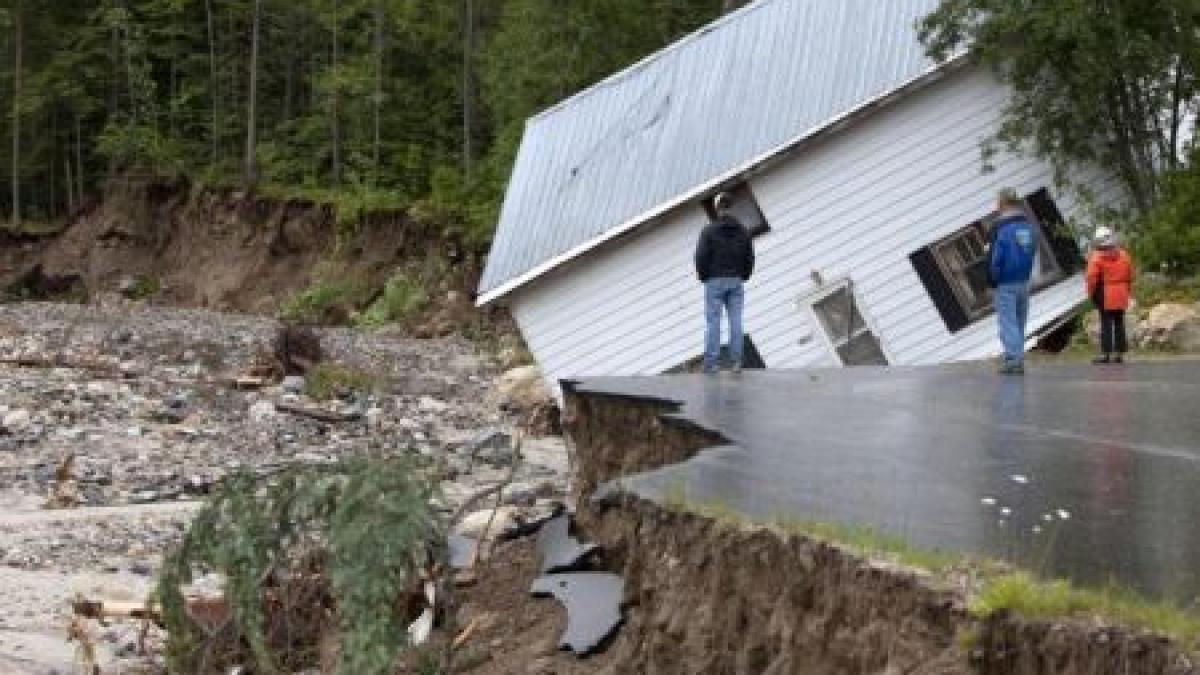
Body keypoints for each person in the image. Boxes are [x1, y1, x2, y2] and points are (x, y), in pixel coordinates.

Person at [694, 192, 755, 374]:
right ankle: (736, 362)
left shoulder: (708, 231)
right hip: (735, 280)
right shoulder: (743, 230)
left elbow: (700, 257)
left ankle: (711, 364)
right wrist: (744, 275)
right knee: (736, 320)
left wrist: (703, 276)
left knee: (713, 322)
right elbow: (750, 256)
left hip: (714, 280)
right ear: (731, 207)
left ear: (717, 209)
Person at [988, 189, 1038, 375]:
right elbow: (1033, 250)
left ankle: (1014, 360)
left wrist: (993, 278)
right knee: (1019, 320)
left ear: (1003, 203)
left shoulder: (1001, 228)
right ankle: (1018, 356)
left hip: (1006, 281)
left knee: (1008, 321)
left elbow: (996, 257)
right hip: (1024, 280)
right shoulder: (1029, 226)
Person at [1086, 226, 1134, 364]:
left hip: (1104, 292)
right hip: (1121, 291)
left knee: (1106, 322)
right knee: (1119, 322)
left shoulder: (1096, 257)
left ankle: (1105, 354)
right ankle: (1119, 353)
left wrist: (1091, 294)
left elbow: (1091, 278)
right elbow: (1130, 274)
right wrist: (1127, 290)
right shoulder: (1124, 255)